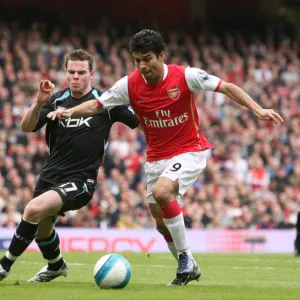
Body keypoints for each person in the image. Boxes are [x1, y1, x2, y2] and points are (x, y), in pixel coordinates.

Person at [47, 29, 284, 286]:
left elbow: (226, 87)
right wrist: (68, 112)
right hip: (156, 157)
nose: (142, 66)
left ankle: (184, 258)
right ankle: (189, 266)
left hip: (189, 149)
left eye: (147, 58)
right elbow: (97, 105)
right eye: (137, 60)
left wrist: (258, 109)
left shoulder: (186, 75)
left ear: (162, 56)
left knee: (163, 192)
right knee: (160, 222)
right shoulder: (128, 84)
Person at [0, 49, 139, 282]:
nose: (76, 76)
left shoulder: (105, 102)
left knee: (32, 209)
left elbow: (139, 123)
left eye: (81, 72)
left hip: (81, 180)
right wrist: (38, 102)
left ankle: (3, 267)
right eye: (71, 72)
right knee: (42, 229)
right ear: (66, 72)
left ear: (91, 74)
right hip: (50, 175)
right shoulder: (56, 100)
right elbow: (26, 127)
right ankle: (56, 266)